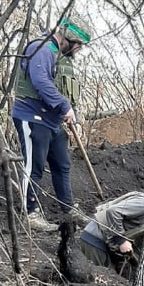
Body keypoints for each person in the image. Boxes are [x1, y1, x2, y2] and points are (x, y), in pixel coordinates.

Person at [11, 14, 91, 232]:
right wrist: (64, 107)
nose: (79, 49)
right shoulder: (41, 49)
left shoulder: (61, 57)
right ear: (67, 38)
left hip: (53, 122)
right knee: (34, 166)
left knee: (62, 165)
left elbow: (63, 89)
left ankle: (68, 209)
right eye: (78, 44)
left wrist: (70, 114)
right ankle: (29, 214)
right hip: (32, 117)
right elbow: (41, 82)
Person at [79, 191, 144, 276]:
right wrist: (121, 241)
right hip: (95, 239)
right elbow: (113, 212)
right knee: (103, 279)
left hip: (102, 242)